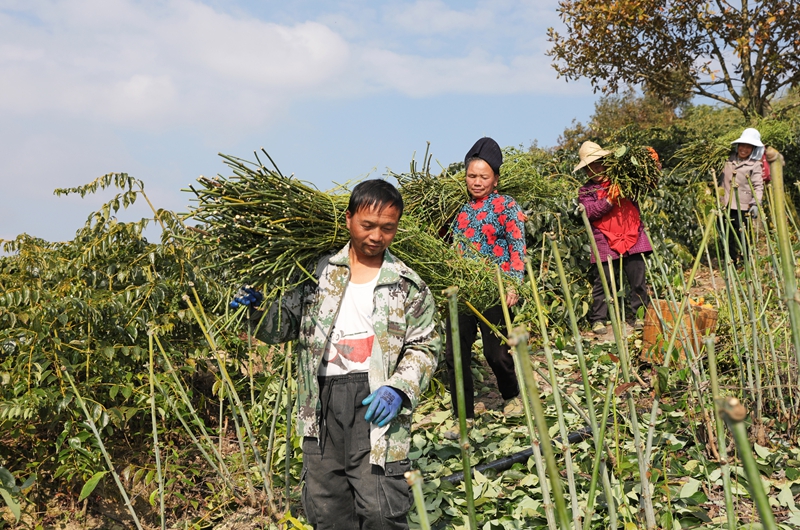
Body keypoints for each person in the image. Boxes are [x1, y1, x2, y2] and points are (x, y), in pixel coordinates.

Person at [232, 180, 440, 529]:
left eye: (388, 228)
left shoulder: (407, 284)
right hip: (321, 403)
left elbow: (426, 345)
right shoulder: (316, 273)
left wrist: (399, 388)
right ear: (348, 219)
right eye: (367, 225)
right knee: (327, 509)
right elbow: (283, 328)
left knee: (379, 508)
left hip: (375, 400)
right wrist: (256, 311)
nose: (376, 236)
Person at [443, 137, 527, 440]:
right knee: (455, 354)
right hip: (461, 291)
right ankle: (463, 417)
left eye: (483, 176)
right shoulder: (457, 209)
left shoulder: (506, 205)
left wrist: (513, 284)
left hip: (495, 288)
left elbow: (517, 245)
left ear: (495, 180)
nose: (477, 182)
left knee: (496, 352)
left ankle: (511, 395)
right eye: (471, 176)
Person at [575, 141, 652, 335]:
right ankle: (598, 319)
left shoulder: (624, 179)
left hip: (631, 233)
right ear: (585, 171)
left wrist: (653, 164)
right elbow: (590, 212)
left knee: (637, 279)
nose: (595, 169)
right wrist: (609, 199)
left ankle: (639, 315)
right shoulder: (586, 191)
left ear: (606, 163)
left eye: (598, 164)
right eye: (590, 167)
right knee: (604, 281)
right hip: (604, 238)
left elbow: (647, 185)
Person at [721, 127, 764, 265]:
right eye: (742, 145)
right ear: (738, 145)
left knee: (743, 235)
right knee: (726, 236)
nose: (744, 149)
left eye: (748, 147)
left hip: (742, 206)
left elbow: (758, 186)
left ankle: (747, 263)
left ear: (753, 149)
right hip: (724, 204)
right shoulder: (727, 159)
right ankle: (731, 262)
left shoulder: (755, 165)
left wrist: (756, 203)